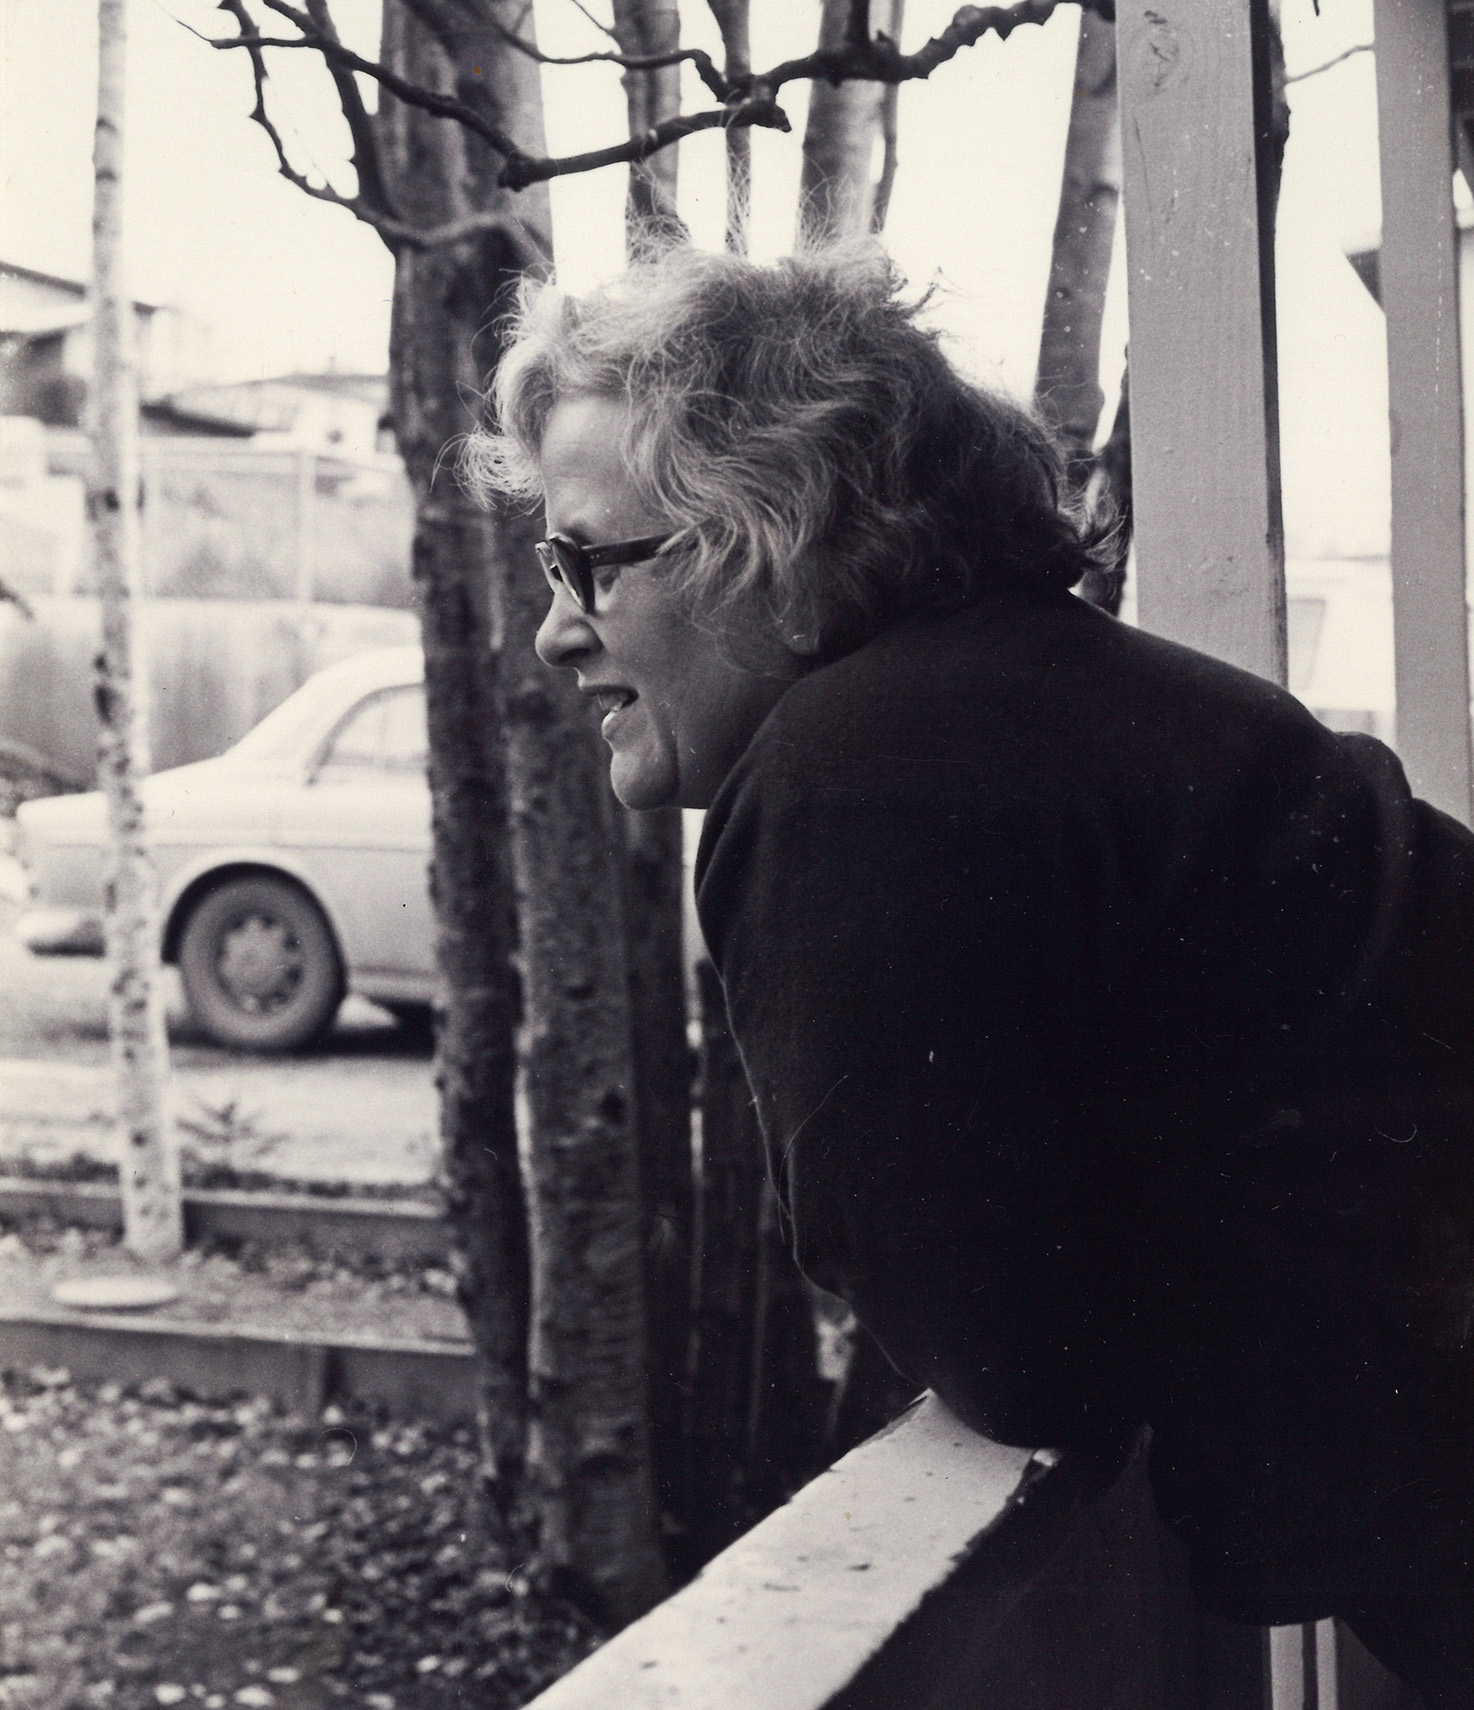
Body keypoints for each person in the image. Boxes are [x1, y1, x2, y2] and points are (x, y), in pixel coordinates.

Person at [466, 243, 1474, 1703]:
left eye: (587, 559)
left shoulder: (851, 774)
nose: (557, 630)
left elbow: (1017, 1354)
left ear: (778, 535)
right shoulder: (1054, 695)